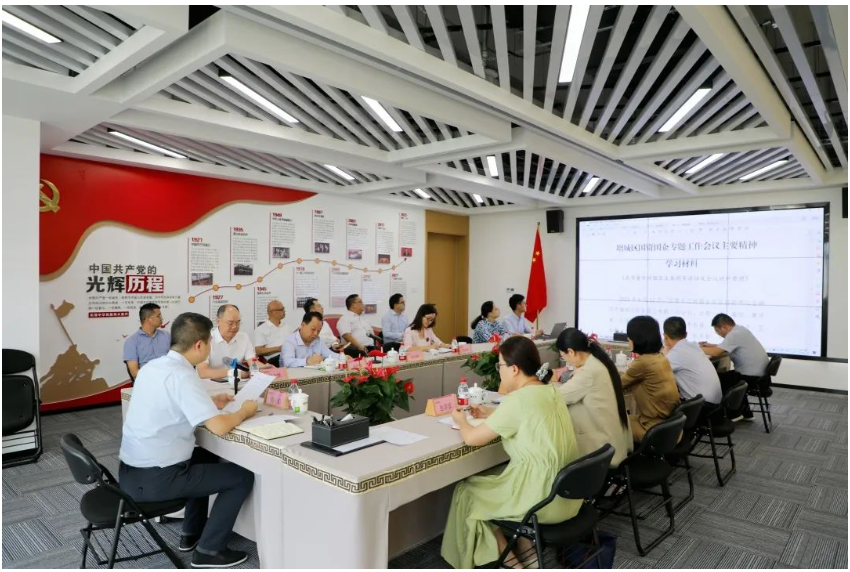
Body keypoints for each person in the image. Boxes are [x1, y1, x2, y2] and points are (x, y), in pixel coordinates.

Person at [119, 312, 258, 568]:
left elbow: (170, 403)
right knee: (241, 477)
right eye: (209, 343)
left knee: (205, 457)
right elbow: (219, 427)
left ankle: (191, 533)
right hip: (157, 479)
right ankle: (209, 551)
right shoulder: (183, 375)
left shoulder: (153, 367)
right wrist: (244, 412)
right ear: (199, 345)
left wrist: (211, 402)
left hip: (130, 473)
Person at [441, 336, 581, 569]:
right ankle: (528, 553)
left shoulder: (518, 400)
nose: (499, 371)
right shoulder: (551, 391)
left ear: (514, 369)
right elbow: (527, 415)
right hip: (569, 491)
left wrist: (461, 420)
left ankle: (514, 565)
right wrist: (490, 413)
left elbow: (472, 438)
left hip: (540, 497)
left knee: (468, 492)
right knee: (494, 480)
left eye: (500, 366)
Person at [555, 328, 632, 467]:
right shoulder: (599, 361)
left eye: (563, 356)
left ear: (571, 352)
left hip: (604, 448)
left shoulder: (588, 372)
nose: (566, 360)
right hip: (614, 440)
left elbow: (557, 398)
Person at [621, 316, 680, 442]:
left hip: (653, 429)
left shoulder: (643, 362)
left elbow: (617, 385)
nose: (628, 339)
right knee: (618, 419)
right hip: (669, 425)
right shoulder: (660, 357)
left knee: (607, 426)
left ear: (637, 338)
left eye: (629, 336)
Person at [700, 313, 769, 420]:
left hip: (751, 378)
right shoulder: (740, 330)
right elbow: (725, 347)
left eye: (717, 331)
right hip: (761, 377)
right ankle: (746, 413)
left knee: (718, 379)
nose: (718, 334)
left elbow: (716, 352)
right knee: (727, 376)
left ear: (724, 327)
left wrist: (695, 347)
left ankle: (733, 413)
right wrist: (710, 345)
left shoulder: (734, 335)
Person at [663, 317, 722, 407]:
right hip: (715, 405)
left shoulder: (676, 353)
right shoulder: (694, 346)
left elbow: (658, 371)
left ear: (665, 336)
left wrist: (665, 349)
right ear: (686, 334)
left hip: (702, 407)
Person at [197, 305, 257, 379]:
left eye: (238, 323)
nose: (235, 326)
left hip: (238, 382)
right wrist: (233, 372)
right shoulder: (207, 339)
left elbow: (253, 363)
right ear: (218, 321)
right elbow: (203, 372)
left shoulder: (244, 337)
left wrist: (266, 367)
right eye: (230, 323)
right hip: (211, 384)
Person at [123, 303, 171, 379]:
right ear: (148, 320)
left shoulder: (166, 336)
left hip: (170, 378)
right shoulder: (131, 342)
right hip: (148, 381)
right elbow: (134, 373)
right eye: (158, 316)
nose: (161, 318)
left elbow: (176, 359)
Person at [254, 300, 287, 367]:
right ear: (273, 312)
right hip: (274, 360)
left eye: (284, 309)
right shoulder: (260, 329)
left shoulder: (287, 327)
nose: (284, 311)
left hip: (289, 356)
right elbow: (258, 351)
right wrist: (279, 348)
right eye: (281, 309)